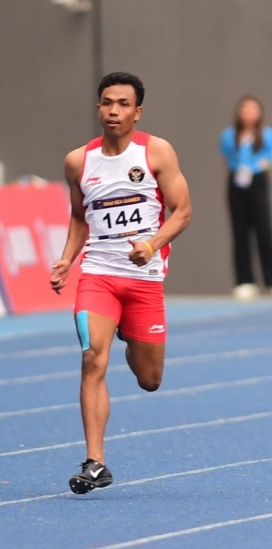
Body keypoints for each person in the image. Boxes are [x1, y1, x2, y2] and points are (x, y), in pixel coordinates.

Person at [49, 72, 193, 494]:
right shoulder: (78, 161)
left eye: (123, 104)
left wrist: (152, 244)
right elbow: (80, 216)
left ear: (137, 111)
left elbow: (183, 211)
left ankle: (130, 334)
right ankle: (96, 461)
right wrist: (66, 259)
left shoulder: (157, 152)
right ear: (98, 107)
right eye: (106, 103)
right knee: (93, 358)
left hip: (144, 279)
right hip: (98, 276)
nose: (113, 111)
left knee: (150, 379)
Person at [219, 95, 272, 300]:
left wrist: (260, 170)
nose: (249, 112)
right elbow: (226, 160)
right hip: (236, 182)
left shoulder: (267, 135)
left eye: (253, 108)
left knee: (264, 230)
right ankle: (244, 281)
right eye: (245, 108)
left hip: (258, 181)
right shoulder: (229, 135)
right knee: (239, 232)